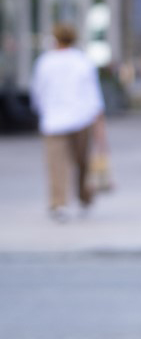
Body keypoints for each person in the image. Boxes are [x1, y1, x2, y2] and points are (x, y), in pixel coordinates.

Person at [30, 23, 106, 222]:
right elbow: (93, 96)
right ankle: (83, 197)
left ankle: (59, 202)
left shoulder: (45, 62)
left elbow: (37, 91)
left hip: (54, 119)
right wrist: (99, 123)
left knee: (56, 164)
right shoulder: (82, 61)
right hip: (81, 117)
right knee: (82, 162)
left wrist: (41, 109)